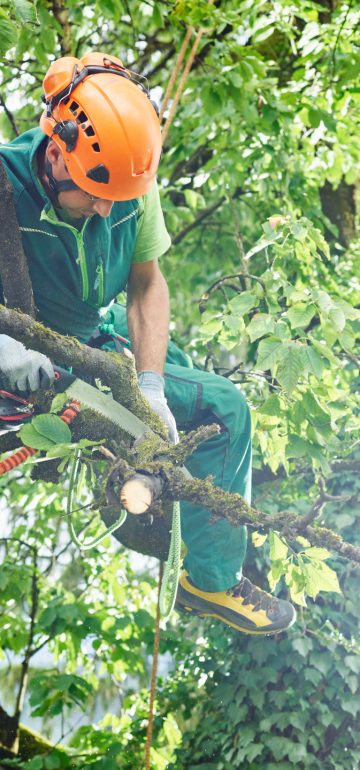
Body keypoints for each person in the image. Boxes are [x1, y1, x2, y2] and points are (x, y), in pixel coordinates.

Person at [0, 51, 296, 635]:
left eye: (119, 195)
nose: (109, 207)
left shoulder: (129, 177)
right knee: (204, 416)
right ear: (55, 150)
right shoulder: (4, 187)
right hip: (24, 369)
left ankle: (205, 576)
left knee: (213, 400)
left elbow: (146, 285)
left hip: (95, 342)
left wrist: (153, 384)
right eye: (93, 192)